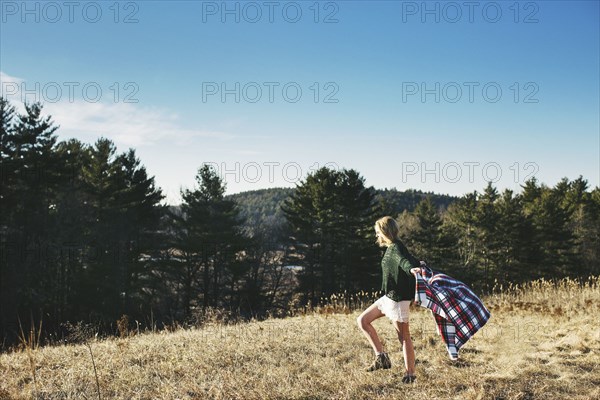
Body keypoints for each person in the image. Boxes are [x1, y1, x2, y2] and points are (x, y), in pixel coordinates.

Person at [356, 216, 420, 383]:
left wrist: (412, 268)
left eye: (377, 233)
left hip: (398, 300)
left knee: (404, 337)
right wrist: (418, 263)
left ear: (384, 232)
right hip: (388, 297)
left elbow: (404, 261)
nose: (376, 236)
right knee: (363, 320)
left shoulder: (396, 248)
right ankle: (381, 357)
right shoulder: (393, 247)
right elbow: (410, 259)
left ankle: (410, 374)